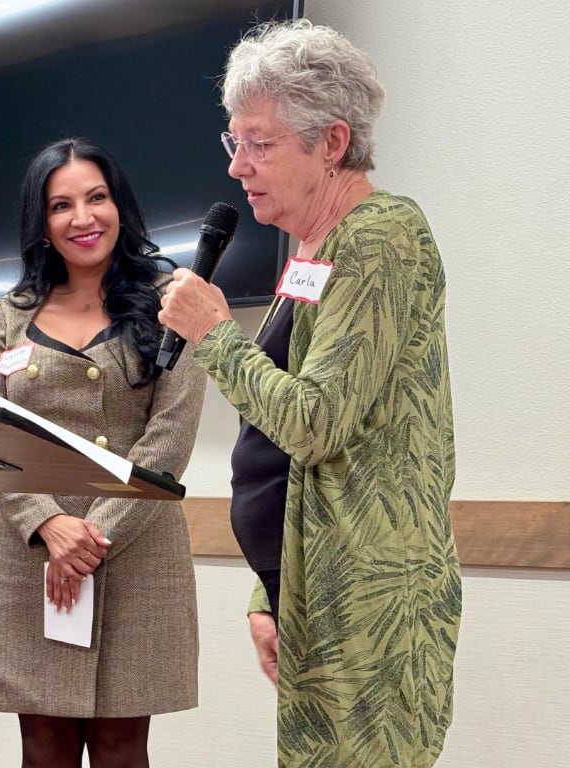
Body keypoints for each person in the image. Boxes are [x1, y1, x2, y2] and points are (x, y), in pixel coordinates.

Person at [159, 20, 462, 768]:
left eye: (259, 144)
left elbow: (316, 421)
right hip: (312, 594)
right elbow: (288, 450)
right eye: (234, 143)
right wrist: (271, 590)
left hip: (375, 606)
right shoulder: (313, 253)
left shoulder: (380, 236)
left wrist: (215, 335)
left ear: (331, 143)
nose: (239, 167)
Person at [0, 138, 206, 767]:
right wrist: (47, 525)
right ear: (41, 224)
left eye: (96, 198)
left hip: (135, 548)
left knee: (120, 748)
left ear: (119, 205)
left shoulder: (172, 298)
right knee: (41, 747)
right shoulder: (10, 314)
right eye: (61, 205)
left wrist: (89, 539)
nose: (83, 218)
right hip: (33, 553)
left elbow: (170, 439)